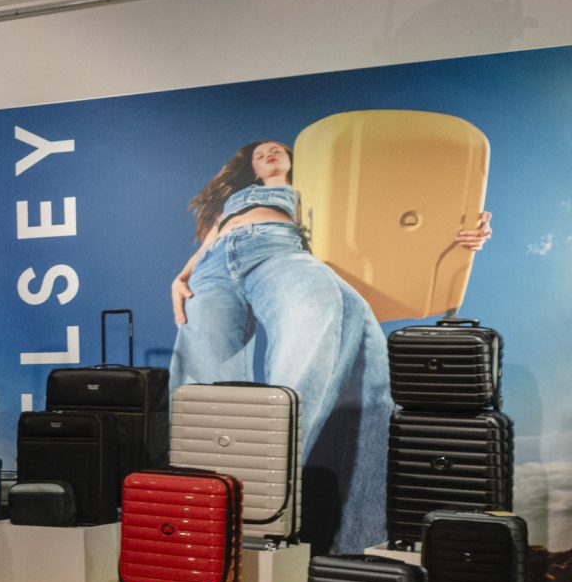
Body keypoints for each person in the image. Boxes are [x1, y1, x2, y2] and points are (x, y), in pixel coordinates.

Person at [168, 139, 490, 554]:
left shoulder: (314, 185)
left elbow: (390, 214)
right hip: (213, 268)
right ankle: (199, 519)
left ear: (293, 159)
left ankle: (277, 504)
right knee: (201, 377)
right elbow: (212, 238)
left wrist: (459, 227)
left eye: (276, 148)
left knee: (315, 325)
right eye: (259, 153)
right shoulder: (237, 198)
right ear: (249, 166)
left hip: (278, 248)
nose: (268, 153)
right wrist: (182, 276)